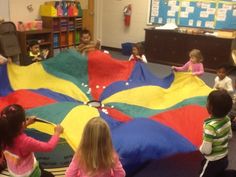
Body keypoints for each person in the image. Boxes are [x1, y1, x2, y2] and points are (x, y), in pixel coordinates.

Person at [0, 104, 64, 177]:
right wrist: (57, 132)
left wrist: (27, 123)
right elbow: (49, 147)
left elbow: (13, 131)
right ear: (22, 124)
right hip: (30, 174)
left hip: (14, 171)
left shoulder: (3, 134)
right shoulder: (25, 142)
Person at [199, 90, 233, 177]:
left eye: (207, 102)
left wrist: (200, 149)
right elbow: (230, 135)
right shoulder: (227, 119)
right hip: (224, 158)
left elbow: (206, 150)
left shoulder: (210, 127)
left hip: (212, 161)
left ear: (210, 108)